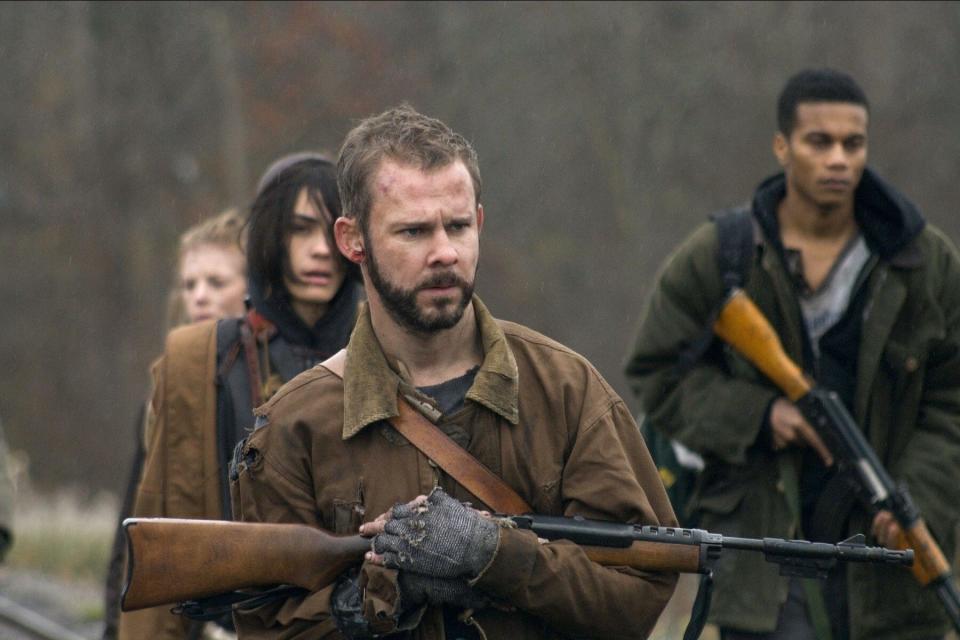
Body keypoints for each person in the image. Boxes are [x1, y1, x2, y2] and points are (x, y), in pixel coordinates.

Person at [229, 105, 677, 639]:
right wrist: (387, 594)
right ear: (352, 241)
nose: (444, 253)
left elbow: (638, 593)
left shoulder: (566, 390)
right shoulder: (293, 427)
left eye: (458, 226)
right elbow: (268, 627)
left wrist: (494, 556)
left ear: (479, 223)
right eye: (414, 231)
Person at [624, 68, 960, 640]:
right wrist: (759, 415)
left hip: (888, 570)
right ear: (782, 147)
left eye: (853, 144)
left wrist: (914, 498)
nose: (838, 160)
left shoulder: (924, 264)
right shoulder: (722, 256)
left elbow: (951, 403)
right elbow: (657, 374)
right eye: (818, 142)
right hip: (763, 564)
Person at [117, 153, 364, 640]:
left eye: (331, 232)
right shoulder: (199, 358)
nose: (319, 251)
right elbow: (157, 521)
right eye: (298, 229)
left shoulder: (386, 354)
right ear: (270, 237)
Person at [103, 208, 248, 640]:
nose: (199, 296)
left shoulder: (286, 382)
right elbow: (133, 527)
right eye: (190, 284)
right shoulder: (166, 388)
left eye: (216, 282)